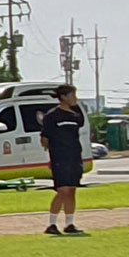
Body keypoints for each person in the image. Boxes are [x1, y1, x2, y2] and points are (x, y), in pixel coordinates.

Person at [40, 84, 88, 236]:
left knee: (72, 190)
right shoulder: (52, 116)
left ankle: (69, 223)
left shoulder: (75, 115)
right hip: (60, 157)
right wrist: (54, 153)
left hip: (74, 156)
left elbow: (80, 123)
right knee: (62, 190)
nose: (75, 98)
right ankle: (52, 224)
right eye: (72, 95)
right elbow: (44, 139)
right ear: (63, 97)